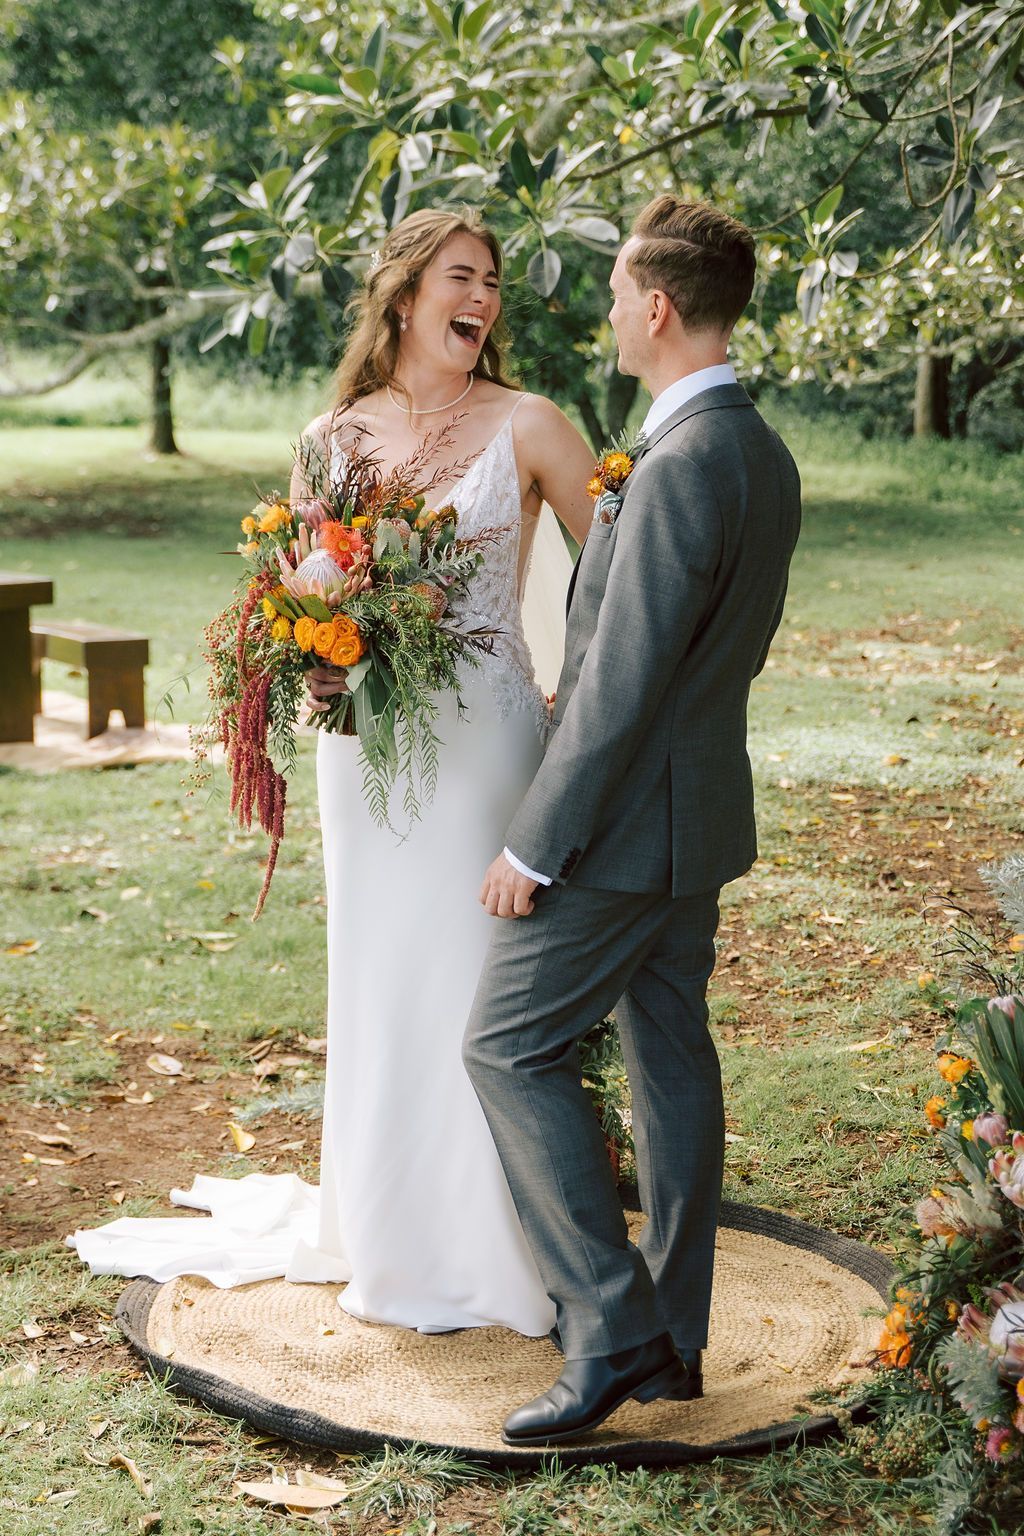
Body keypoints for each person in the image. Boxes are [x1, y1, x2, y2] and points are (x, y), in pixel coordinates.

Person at [67, 208, 597, 1337]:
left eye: (495, 282)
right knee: (384, 975)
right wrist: (310, 656)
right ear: (405, 296)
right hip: (365, 757)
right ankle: (389, 1225)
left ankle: (496, 1242)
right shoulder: (328, 441)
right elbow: (292, 599)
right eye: (464, 278)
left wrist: (572, 699)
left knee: (474, 977)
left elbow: (623, 591)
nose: (486, 299)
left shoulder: (534, 426)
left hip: (491, 747)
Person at [462, 196, 802, 1445]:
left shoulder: (683, 461)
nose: (607, 311)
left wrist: (531, 844)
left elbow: (619, 687)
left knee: (506, 1047)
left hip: (620, 834)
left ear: (656, 308)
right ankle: (677, 1338)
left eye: (614, 294)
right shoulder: (756, 450)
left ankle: (608, 1331)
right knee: (668, 1063)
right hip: (696, 818)